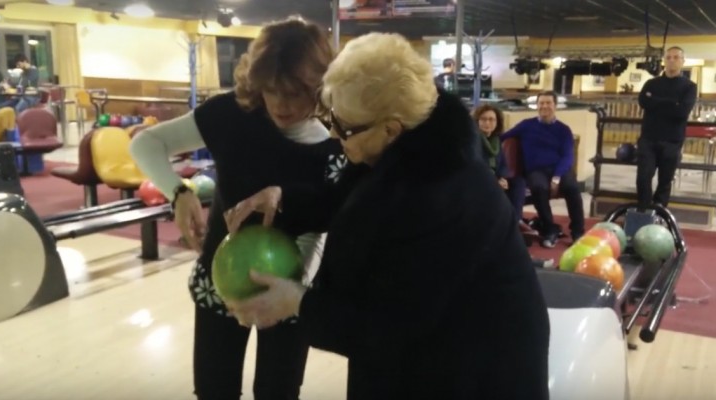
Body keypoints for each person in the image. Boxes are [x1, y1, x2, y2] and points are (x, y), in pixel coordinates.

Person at [224, 32, 550, 400]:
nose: (332, 132)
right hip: (424, 354)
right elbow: (350, 204)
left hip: (473, 371)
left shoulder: (442, 197)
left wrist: (298, 302)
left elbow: (387, 325)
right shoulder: (402, 148)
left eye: (342, 126)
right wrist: (283, 200)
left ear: (390, 128)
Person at [129, 17, 345, 400]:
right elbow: (146, 144)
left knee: (278, 391)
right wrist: (179, 193)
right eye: (271, 90)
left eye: (295, 93)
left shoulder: (335, 142)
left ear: (319, 87)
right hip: (219, 278)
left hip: (293, 289)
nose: (280, 104)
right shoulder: (232, 114)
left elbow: (319, 227)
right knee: (214, 389)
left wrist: (291, 290)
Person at [500, 91, 585, 248]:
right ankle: (549, 230)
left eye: (548, 103)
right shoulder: (526, 125)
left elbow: (567, 156)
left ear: (555, 106)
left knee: (572, 188)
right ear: (537, 106)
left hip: (558, 169)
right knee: (539, 188)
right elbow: (503, 137)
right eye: (541, 103)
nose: (545, 106)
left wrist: (557, 177)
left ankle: (578, 232)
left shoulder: (564, 130)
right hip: (535, 170)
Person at [636, 46, 697, 208]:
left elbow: (682, 111)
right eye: (668, 57)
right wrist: (672, 103)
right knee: (643, 177)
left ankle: (659, 213)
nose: (671, 60)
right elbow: (643, 102)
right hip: (648, 139)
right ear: (664, 61)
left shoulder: (689, 87)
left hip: (672, 141)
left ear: (683, 61)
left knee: (665, 181)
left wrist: (655, 101)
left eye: (676, 57)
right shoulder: (651, 83)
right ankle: (643, 211)